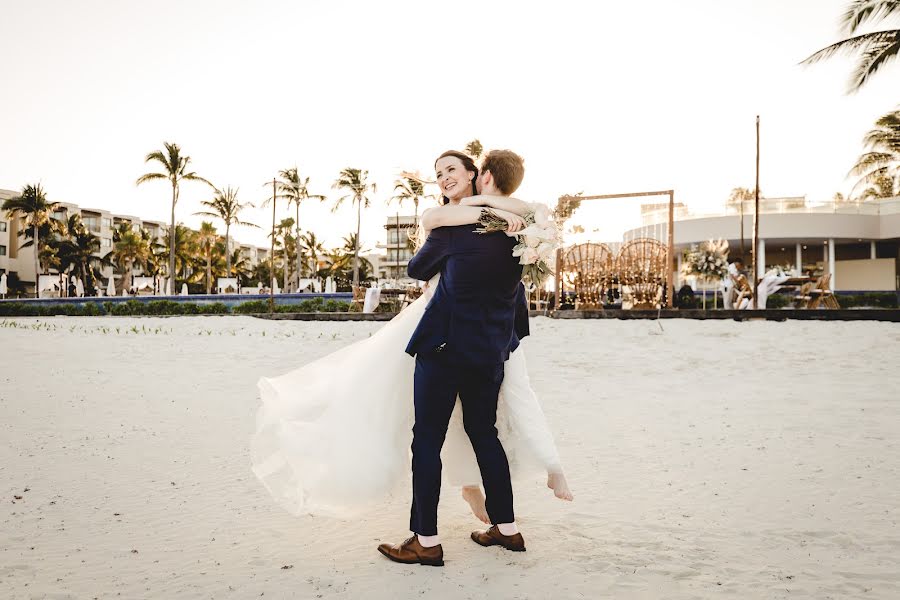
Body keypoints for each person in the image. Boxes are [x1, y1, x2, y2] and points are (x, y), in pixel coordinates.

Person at [250, 151, 570, 557]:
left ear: (479, 175)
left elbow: (418, 268)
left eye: (451, 170)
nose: (443, 178)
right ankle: (506, 528)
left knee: (428, 442)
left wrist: (457, 224)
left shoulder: (453, 228)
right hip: (489, 352)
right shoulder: (524, 232)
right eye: (439, 174)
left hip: (444, 348)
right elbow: (528, 221)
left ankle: (426, 540)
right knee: (484, 434)